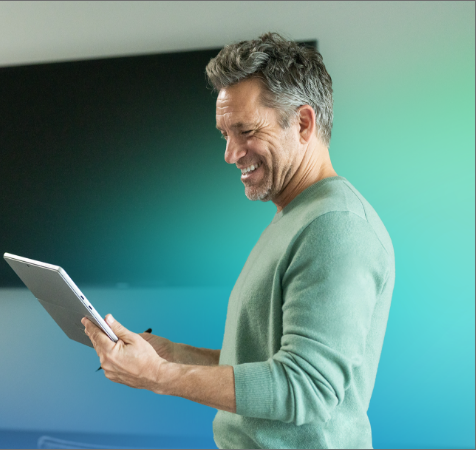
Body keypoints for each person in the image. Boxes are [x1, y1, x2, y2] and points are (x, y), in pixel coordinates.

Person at [82, 32, 395, 449]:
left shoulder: (337, 226)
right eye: (224, 134)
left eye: (245, 131)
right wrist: (169, 355)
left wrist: (158, 376)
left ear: (303, 123)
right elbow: (262, 366)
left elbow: (306, 387)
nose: (231, 153)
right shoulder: (296, 215)